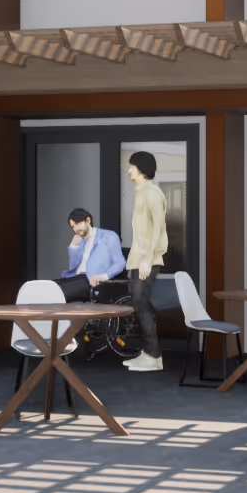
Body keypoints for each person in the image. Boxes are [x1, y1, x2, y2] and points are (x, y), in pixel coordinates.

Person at [121, 151, 169, 372]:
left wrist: (148, 260)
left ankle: (153, 355)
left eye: (131, 166)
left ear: (140, 168)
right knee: (138, 305)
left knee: (141, 304)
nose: (128, 169)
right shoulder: (140, 192)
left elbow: (158, 229)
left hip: (146, 261)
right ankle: (149, 352)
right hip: (137, 260)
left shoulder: (152, 192)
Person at [58, 207, 124, 302]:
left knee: (56, 291)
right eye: (73, 227)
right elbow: (73, 267)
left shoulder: (108, 236)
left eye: (77, 224)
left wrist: (104, 276)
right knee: (49, 286)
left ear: (88, 220)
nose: (75, 229)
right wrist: (73, 247)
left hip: (90, 282)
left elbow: (120, 263)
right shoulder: (81, 242)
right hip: (75, 279)